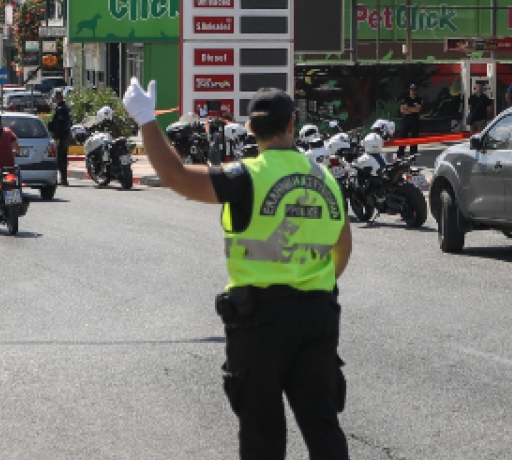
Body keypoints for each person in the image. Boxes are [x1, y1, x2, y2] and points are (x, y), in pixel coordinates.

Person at [122, 80, 353, 460]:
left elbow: (176, 177)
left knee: (263, 434)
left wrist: (146, 119)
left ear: (250, 129)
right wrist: (316, 284)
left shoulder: (245, 176)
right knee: (323, 427)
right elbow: (343, 246)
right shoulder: (325, 179)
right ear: (292, 124)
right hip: (318, 315)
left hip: (260, 321)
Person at [48, 91, 72, 186]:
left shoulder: (60, 109)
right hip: (65, 135)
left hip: (61, 136)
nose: (54, 100)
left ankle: (63, 179)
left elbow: (59, 125)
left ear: (59, 98)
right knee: (63, 157)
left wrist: (57, 137)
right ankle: (63, 178)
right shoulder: (65, 108)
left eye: (55, 98)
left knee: (60, 158)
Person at [396, 84, 422, 158]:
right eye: (411, 89)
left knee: (414, 137)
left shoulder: (418, 99)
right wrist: (411, 109)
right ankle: (400, 153)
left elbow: (417, 109)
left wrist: (408, 108)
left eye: (414, 90)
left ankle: (413, 154)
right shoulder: (405, 99)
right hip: (406, 119)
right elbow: (402, 110)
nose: (412, 91)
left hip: (415, 120)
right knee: (403, 136)